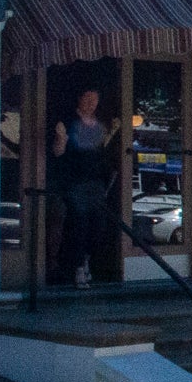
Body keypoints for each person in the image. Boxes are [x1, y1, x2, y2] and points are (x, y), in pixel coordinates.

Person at [54, 84, 122, 287]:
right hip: (75, 182)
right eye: (88, 99)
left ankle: (86, 261)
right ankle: (76, 268)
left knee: (98, 226)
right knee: (79, 225)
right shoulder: (68, 122)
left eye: (95, 100)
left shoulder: (100, 125)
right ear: (79, 99)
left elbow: (102, 152)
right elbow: (58, 152)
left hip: (96, 183)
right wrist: (61, 139)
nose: (91, 103)